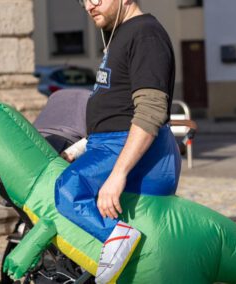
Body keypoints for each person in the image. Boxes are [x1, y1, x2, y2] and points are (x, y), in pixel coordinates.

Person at [55, 0, 181, 283]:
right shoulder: (120, 33)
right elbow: (115, 111)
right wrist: (78, 149)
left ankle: (123, 243)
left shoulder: (145, 33)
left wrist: (117, 174)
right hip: (109, 143)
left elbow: (150, 111)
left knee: (68, 188)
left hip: (128, 147)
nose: (89, 5)